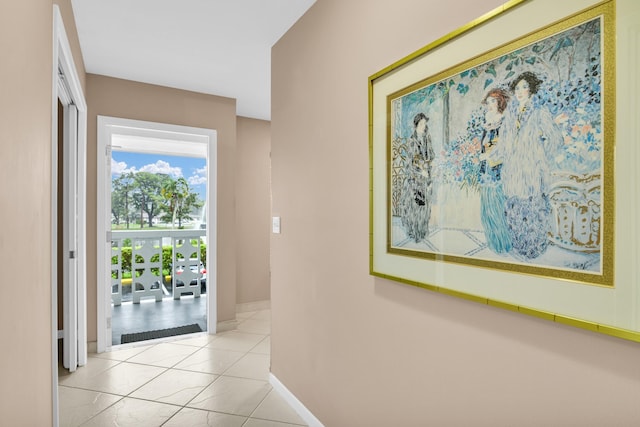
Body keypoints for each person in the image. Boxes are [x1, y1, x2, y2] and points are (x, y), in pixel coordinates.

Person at [488, 71, 563, 259]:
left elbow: (555, 138)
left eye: (524, 87)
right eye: (517, 88)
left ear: (531, 89)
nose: (520, 91)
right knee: (514, 207)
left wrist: (541, 156)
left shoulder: (539, 112)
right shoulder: (510, 116)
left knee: (533, 208)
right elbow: (504, 142)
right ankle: (519, 244)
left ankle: (535, 246)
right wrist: (490, 157)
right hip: (512, 170)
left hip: (532, 170)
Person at [478, 88, 512, 254]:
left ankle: (501, 244)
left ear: (500, 102)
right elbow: (484, 145)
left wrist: (488, 157)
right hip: (485, 169)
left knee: (496, 206)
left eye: (494, 101)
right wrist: (483, 158)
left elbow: (503, 147)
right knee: (486, 207)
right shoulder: (487, 120)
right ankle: (492, 242)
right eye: (489, 101)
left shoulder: (503, 121)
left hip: (497, 169)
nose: (490, 104)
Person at [401, 112, 435, 242]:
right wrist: (421, 171)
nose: (423, 126)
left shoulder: (427, 138)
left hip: (426, 176)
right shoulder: (411, 141)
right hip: (415, 179)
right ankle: (415, 232)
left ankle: (422, 231)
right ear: (416, 125)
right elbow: (411, 162)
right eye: (421, 123)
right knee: (416, 206)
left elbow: (431, 155)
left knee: (425, 206)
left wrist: (429, 167)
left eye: (425, 123)